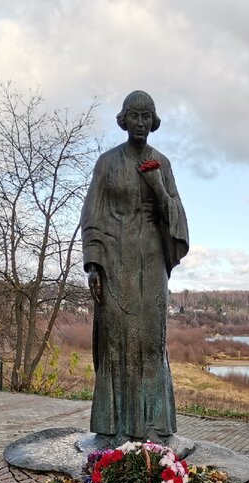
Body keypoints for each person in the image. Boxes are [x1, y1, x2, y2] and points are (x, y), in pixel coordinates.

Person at [80, 90, 189, 444]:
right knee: (115, 342)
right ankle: (111, 426)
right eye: (134, 116)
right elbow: (92, 214)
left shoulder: (163, 164)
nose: (140, 123)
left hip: (153, 263)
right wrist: (93, 264)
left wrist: (157, 186)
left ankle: (154, 426)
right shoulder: (107, 163)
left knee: (149, 342)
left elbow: (179, 220)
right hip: (114, 261)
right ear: (124, 119)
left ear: (153, 122)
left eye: (147, 117)